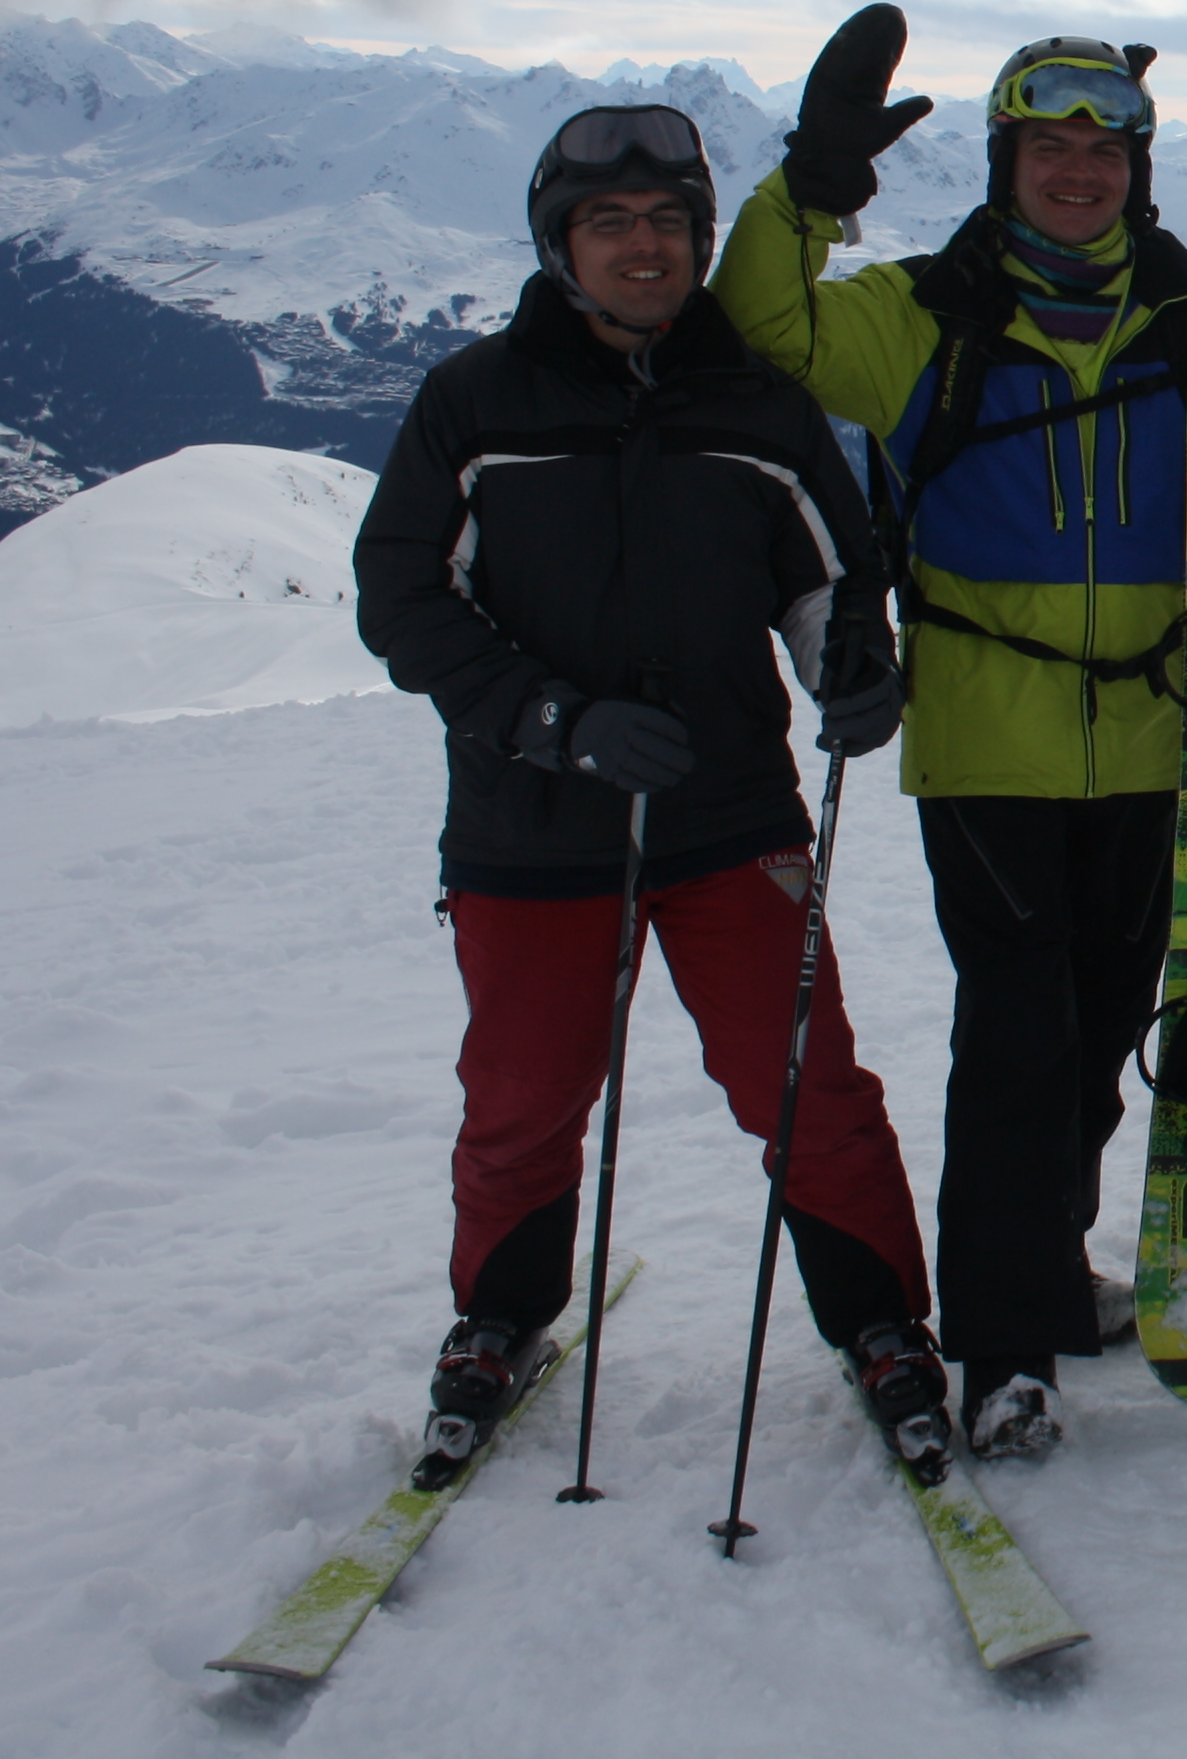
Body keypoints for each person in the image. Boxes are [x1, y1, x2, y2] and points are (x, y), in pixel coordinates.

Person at [710, 5, 1187, 1459]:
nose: (1077, 172)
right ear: (1005, 164)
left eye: (1102, 151)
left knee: (1104, 1028)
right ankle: (1004, 1350)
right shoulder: (922, 315)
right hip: (987, 738)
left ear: (1137, 170)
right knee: (1017, 1036)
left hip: (1156, 738)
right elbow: (762, 329)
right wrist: (810, 187)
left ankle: (1046, 1266)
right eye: (1049, 148)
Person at [354, 103, 947, 1476]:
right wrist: (553, 721)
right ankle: (499, 1317)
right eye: (609, 224)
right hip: (530, 824)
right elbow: (404, 599)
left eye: (669, 222)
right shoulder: (476, 402)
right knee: (525, 1095)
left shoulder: (758, 403)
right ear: (559, 246)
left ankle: (882, 1322)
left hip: (730, 815)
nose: (644, 247)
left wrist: (853, 664)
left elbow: (828, 576)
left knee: (805, 1087)